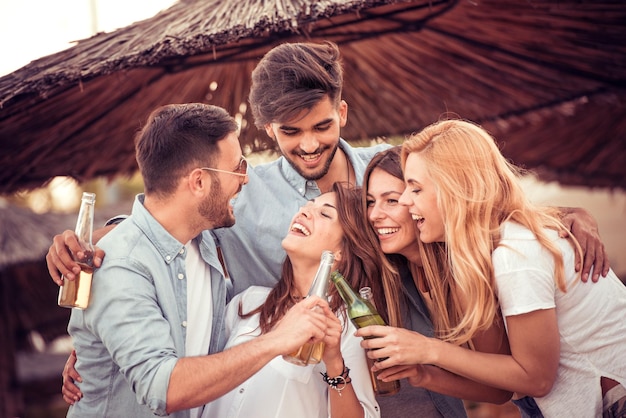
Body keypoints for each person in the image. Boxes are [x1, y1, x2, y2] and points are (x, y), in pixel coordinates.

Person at [49, 42, 609, 414]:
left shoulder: (390, 172)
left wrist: (562, 219)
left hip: (428, 395)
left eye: (322, 124)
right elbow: (178, 222)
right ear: (269, 129)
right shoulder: (244, 194)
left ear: (342, 111)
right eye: (291, 132)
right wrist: (99, 251)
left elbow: (471, 206)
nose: (310, 143)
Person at [63, 103, 333, 418]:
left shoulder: (205, 241)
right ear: (199, 182)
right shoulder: (120, 263)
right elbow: (161, 387)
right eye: (238, 167)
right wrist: (277, 340)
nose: (244, 180)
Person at [358, 119, 626, 417]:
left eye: (415, 190)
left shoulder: (514, 255)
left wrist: (428, 349)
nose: (407, 202)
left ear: (455, 190)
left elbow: (536, 378)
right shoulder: (490, 253)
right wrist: (423, 373)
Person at [203, 183, 388, 418]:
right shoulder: (247, 303)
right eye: (307, 206)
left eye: (324, 213)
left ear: (342, 251)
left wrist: (334, 363)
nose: (304, 212)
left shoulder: (346, 329)